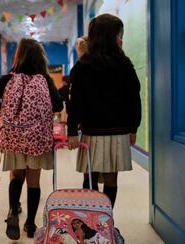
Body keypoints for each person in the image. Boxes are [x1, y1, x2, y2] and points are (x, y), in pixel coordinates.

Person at [0, 38, 63, 240]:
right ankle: (30, 224)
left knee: (16, 176)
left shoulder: (7, 78)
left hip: (13, 137)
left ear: (18, 56)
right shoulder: (45, 80)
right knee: (34, 181)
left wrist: (5, 112)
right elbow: (58, 105)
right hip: (37, 138)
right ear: (40, 58)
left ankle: (12, 212)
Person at [67, 14, 142, 208]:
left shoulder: (82, 66)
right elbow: (134, 99)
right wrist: (133, 128)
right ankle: (106, 221)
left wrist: (72, 131)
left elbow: (75, 102)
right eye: (119, 34)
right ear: (112, 37)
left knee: (89, 178)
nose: (121, 38)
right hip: (117, 132)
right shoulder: (125, 65)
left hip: (91, 132)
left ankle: (91, 219)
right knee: (111, 180)